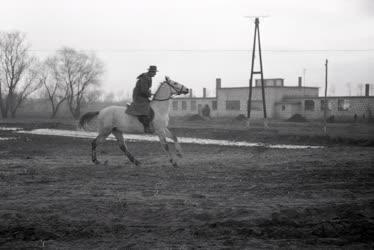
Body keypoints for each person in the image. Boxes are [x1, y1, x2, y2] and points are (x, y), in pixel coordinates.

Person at [126, 65, 157, 133]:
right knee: (145, 107)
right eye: (155, 72)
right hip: (138, 95)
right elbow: (143, 90)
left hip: (142, 94)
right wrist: (149, 94)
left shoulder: (149, 77)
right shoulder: (145, 77)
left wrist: (149, 93)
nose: (155, 74)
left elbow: (146, 89)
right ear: (151, 72)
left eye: (155, 72)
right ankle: (146, 126)